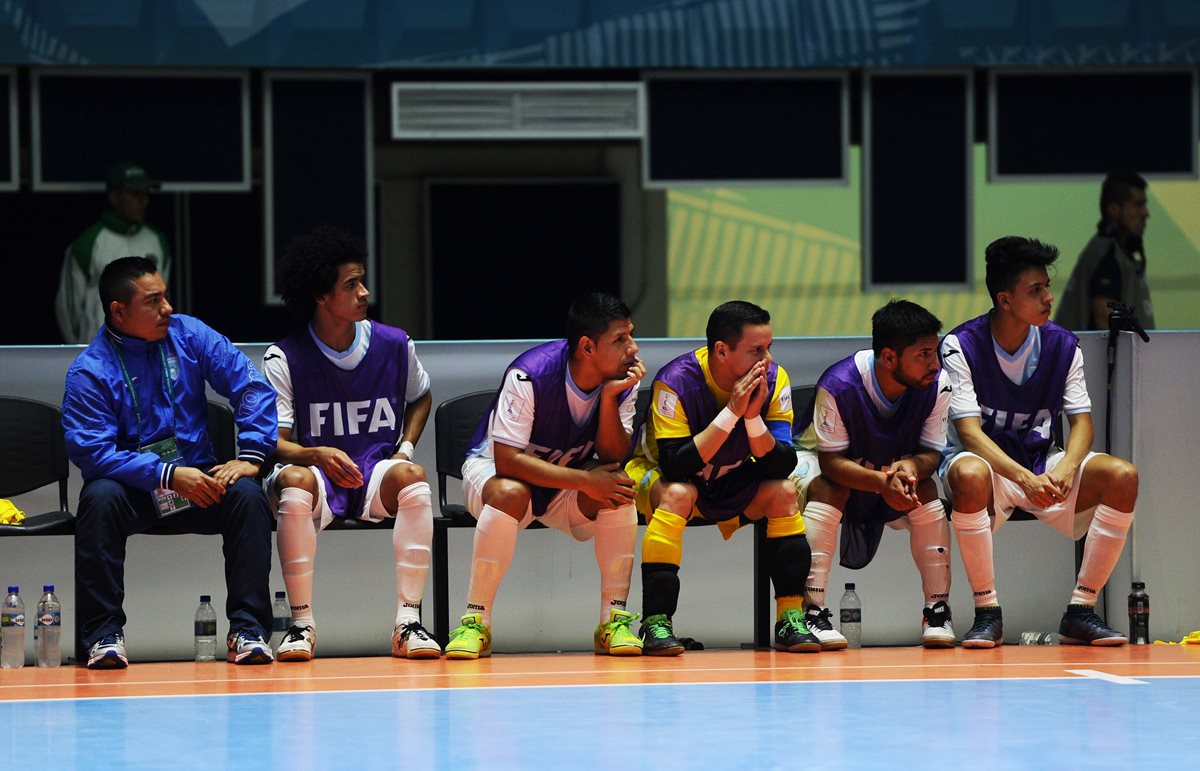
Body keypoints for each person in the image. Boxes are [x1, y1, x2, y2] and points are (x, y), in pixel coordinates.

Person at [62, 256, 277, 669]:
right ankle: (104, 637)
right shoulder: (90, 370)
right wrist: (165, 474)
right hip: (135, 491)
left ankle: (247, 631)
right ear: (119, 310)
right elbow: (92, 451)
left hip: (199, 483)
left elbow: (250, 387)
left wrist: (251, 456)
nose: (168, 308)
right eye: (154, 301)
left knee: (248, 496)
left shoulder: (189, 335)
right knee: (98, 499)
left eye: (166, 297)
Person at [941, 236, 1138, 648]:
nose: (1049, 297)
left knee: (1122, 476)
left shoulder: (1063, 345)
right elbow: (969, 433)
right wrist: (1023, 480)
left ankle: (1082, 610)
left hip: (1042, 464)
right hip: (990, 469)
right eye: (1036, 290)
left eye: (1048, 287)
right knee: (970, 471)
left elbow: (1082, 423)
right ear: (1005, 299)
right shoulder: (961, 345)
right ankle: (986, 613)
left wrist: (1065, 470)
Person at [262, 226, 439, 661]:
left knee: (414, 479)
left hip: (374, 467)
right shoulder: (284, 357)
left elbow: (421, 397)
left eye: (361, 281)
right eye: (351, 284)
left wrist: (405, 447)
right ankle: (301, 626)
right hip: (318, 474)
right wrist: (315, 453)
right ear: (323, 297)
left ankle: (408, 623)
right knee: (297, 482)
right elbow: (275, 442)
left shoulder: (395, 344)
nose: (365, 292)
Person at [445, 293, 645, 660]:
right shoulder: (530, 372)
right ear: (587, 346)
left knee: (618, 489)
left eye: (631, 335)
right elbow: (508, 461)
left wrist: (609, 399)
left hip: (563, 482)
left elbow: (615, 455)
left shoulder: (621, 379)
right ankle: (476, 622)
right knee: (511, 492)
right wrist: (585, 482)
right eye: (620, 339)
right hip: (493, 472)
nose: (632, 348)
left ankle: (613, 621)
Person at [627, 300, 817, 656]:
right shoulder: (676, 381)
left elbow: (781, 463)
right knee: (678, 493)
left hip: (730, 477)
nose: (768, 360)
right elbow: (676, 466)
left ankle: (791, 619)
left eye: (769, 348)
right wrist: (731, 412)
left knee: (783, 492)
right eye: (756, 350)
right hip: (662, 477)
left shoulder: (775, 379)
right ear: (721, 350)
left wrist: (752, 418)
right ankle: (656, 622)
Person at [792, 300, 955, 650]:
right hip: (816, 463)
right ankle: (812, 611)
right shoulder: (839, 384)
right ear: (889, 357)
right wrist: (883, 482)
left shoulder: (938, 384)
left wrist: (912, 467)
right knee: (830, 486)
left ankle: (937, 610)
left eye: (935, 351)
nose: (934, 363)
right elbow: (833, 462)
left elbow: (931, 452)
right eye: (924, 354)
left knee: (926, 488)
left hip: (887, 467)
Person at [56, 162, 172, 344]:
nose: (143, 201)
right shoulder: (88, 242)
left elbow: (162, 299)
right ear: (114, 197)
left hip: (146, 352)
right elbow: (69, 309)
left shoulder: (157, 241)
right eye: (135, 194)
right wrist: (80, 350)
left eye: (145, 194)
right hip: (97, 351)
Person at [1056, 171, 1155, 332]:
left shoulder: (1115, 252)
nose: (1146, 213)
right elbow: (1104, 318)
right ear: (1114, 209)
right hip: (1102, 356)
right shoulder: (1106, 255)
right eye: (1138, 204)